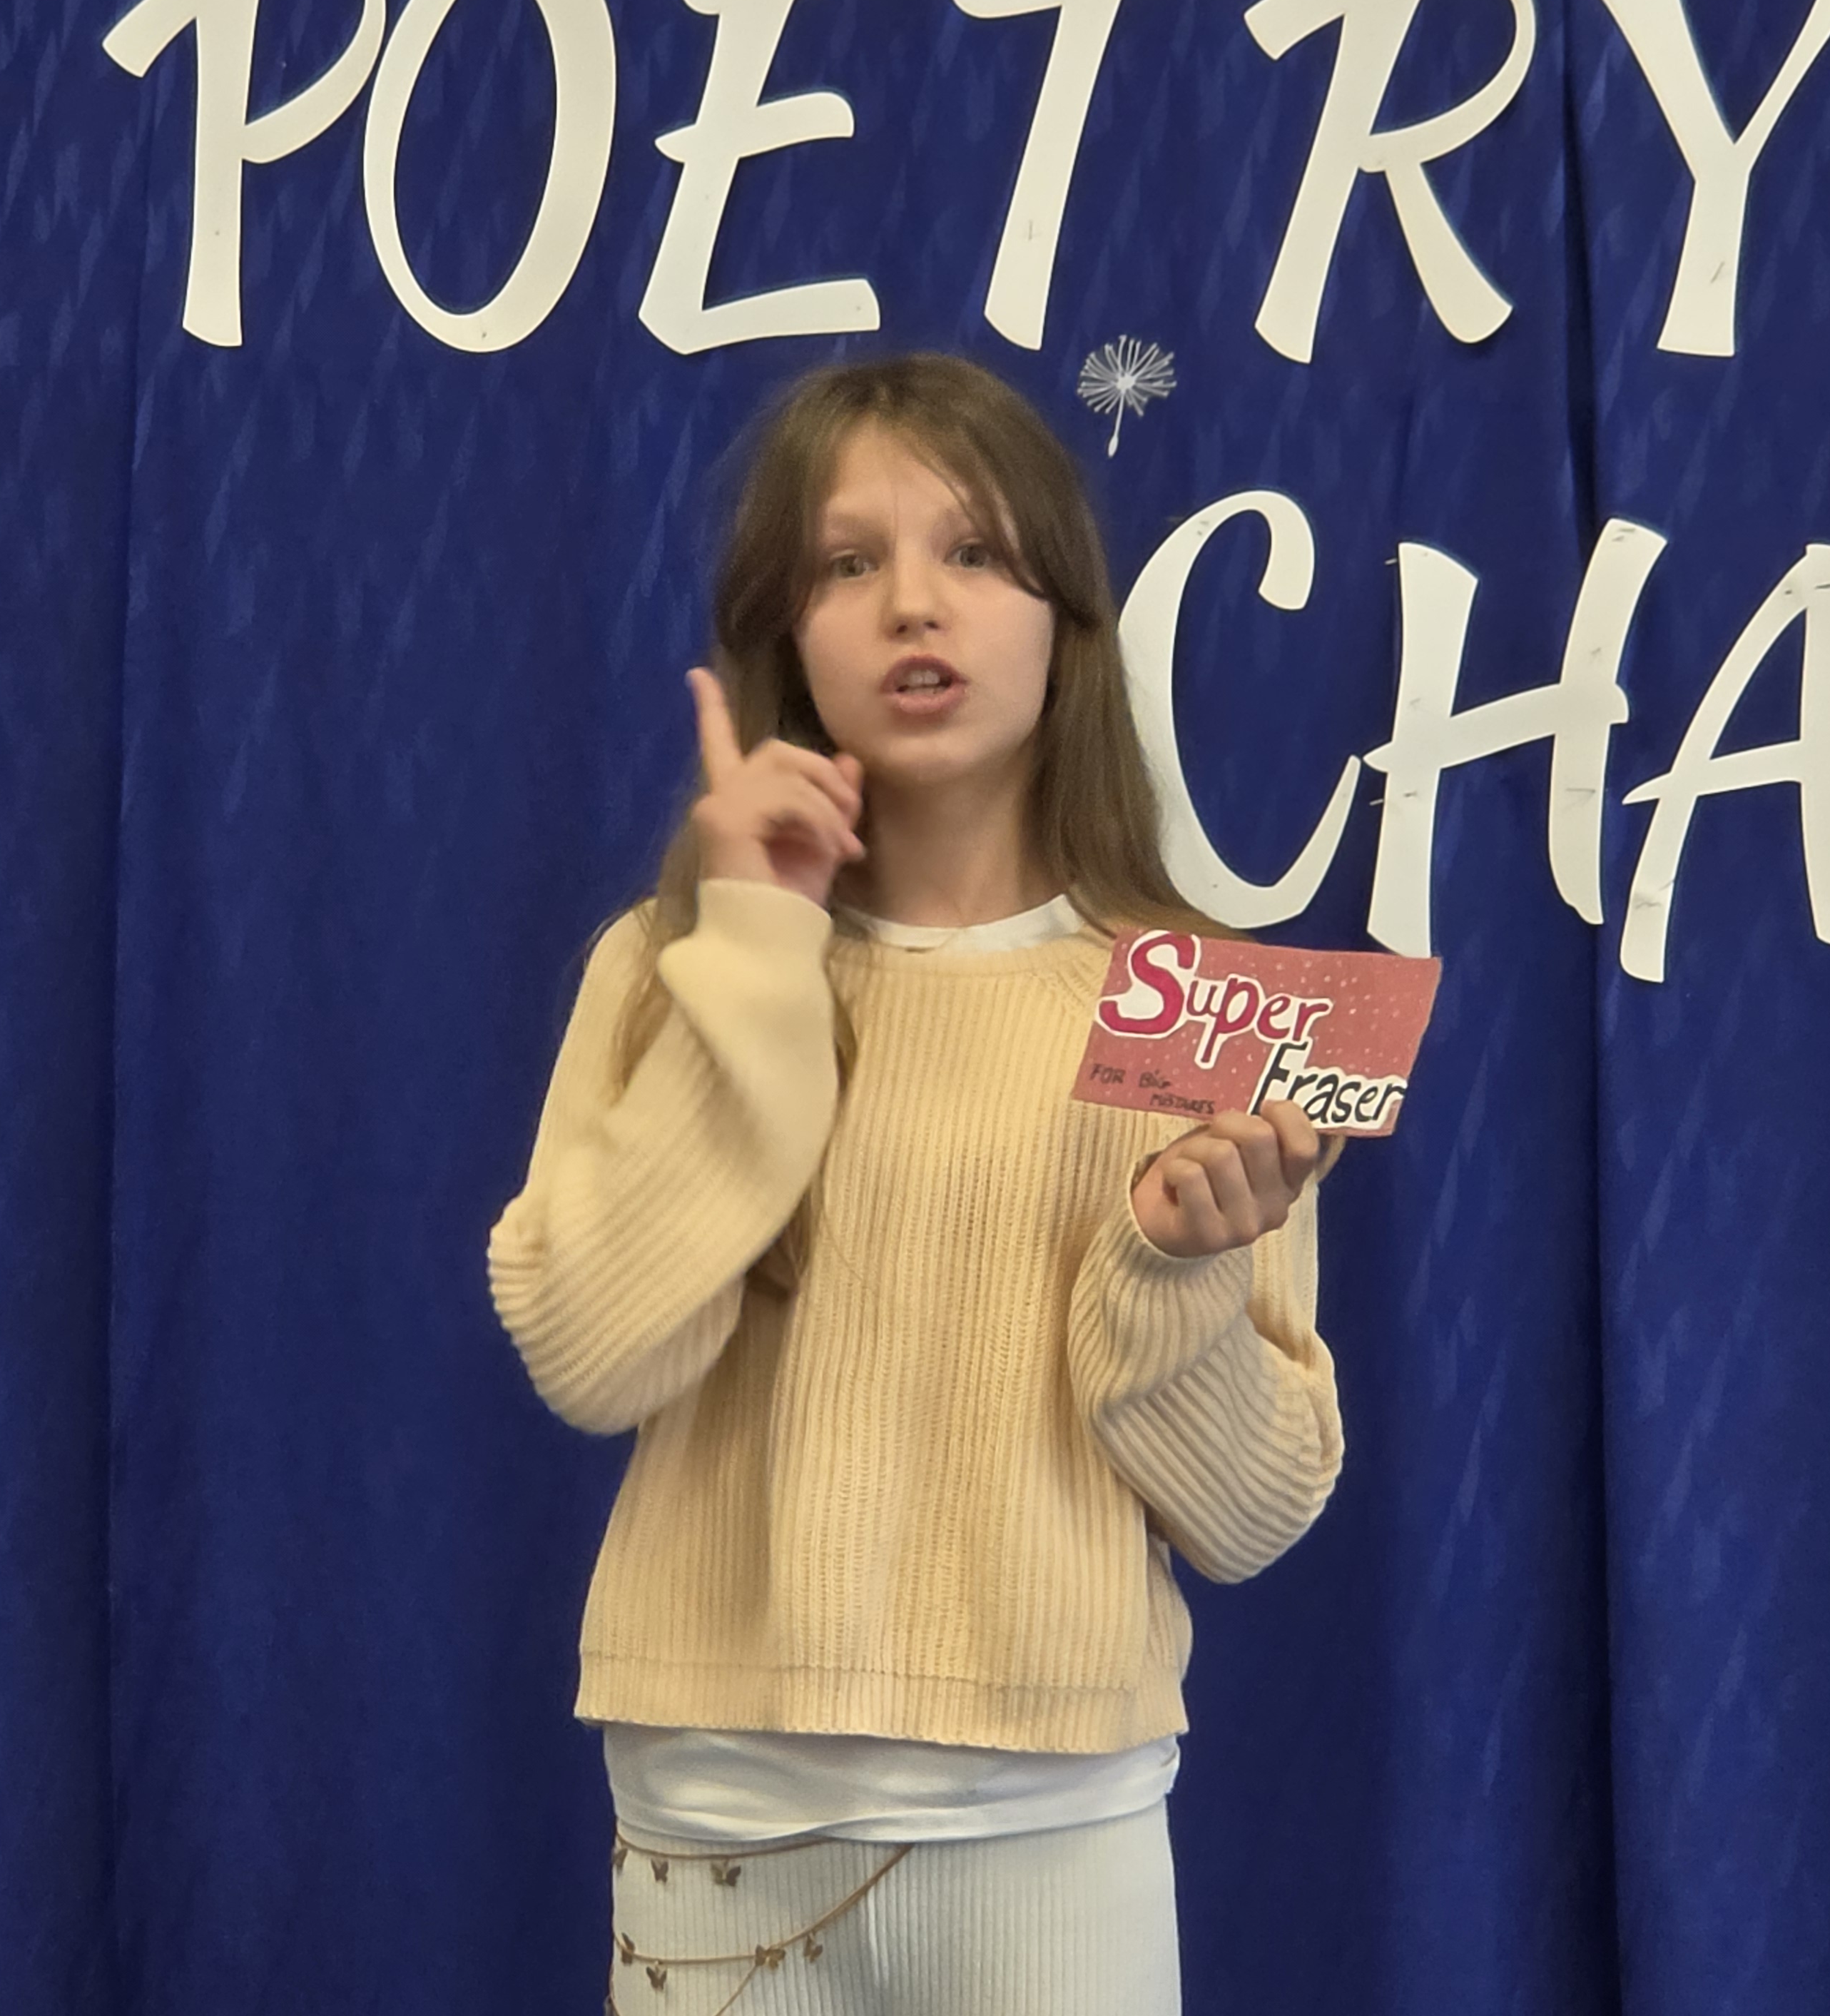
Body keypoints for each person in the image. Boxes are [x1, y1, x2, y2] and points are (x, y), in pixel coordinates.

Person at [487, 352, 1345, 2016]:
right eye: (845, 562)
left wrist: (1168, 1270)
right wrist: (754, 946)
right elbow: (588, 1356)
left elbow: (1253, 1519)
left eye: (971, 552)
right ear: (786, 634)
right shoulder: (669, 966)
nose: (909, 605)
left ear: (1064, 621)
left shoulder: (1196, 1005)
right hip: (711, 1829)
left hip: (1054, 1829)